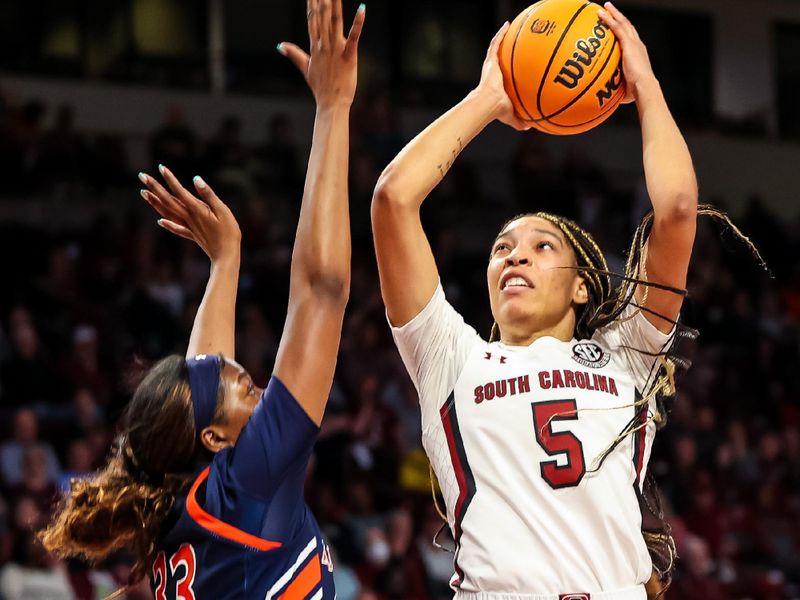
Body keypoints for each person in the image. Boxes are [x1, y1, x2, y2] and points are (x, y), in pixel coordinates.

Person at [371, 3, 758, 599]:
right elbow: (394, 200)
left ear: (582, 285)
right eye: (501, 248)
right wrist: (488, 101)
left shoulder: (626, 353)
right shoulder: (450, 356)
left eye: (541, 245)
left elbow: (678, 210)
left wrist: (646, 86)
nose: (514, 256)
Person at [39, 0, 365, 597]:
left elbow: (206, 381)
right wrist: (333, 108)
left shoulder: (189, 507)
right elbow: (322, 291)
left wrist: (225, 262)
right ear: (215, 439)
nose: (259, 385)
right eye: (245, 387)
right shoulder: (249, 488)